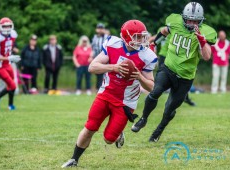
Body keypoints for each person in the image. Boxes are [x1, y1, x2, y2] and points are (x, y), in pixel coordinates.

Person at [61, 20, 157, 168]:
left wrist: (140, 77)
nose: (141, 40)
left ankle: (118, 133)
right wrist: (114, 67)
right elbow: (92, 67)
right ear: (126, 36)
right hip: (105, 94)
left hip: (126, 102)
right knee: (90, 127)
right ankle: (74, 159)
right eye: (137, 37)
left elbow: (151, 86)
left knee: (108, 139)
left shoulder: (146, 55)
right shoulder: (113, 44)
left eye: (142, 36)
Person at [131, 2, 217, 142]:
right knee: (155, 92)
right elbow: (164, 31)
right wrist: (154, 43)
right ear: (183, 18)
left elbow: (207, 56)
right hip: (168, 68)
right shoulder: (175, 22)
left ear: (200, 20)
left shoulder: (205, 32)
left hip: (185, 77)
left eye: (195, 21)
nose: (192, 23)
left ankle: (158, 131)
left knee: (169, 108)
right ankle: (143, 119)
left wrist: (201, 40)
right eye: (189, 19)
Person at [157, 26, 196, 106]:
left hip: (174, 56)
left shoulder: (178, 29)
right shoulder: (165, 28)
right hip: (164, 55)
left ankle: (185, 98)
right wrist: (151, 44)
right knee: (160, 77)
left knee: (181, 79)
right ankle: (153, 96)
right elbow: (157, 37)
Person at [0, 17, 21, 110]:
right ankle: (6, 103)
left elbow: (9, 46)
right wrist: (8, 57)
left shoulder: (13, 35)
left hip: (7, 63)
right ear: (0, 27)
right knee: (13, 85)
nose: (7, 28)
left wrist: (11, 57)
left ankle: (0, 99)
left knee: (10, 85)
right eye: (5, 26)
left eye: (9, 26)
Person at [91, 23, 108, 90]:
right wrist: (91, 56)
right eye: (99, 28)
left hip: (105, 57)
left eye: (101, 28)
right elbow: (93, 47)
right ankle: (98, 87)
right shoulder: (95, 37)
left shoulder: (106, 36)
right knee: (98, 72)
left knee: (104, 73)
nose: (100, 30)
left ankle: (102, 87)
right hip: (97, 57)